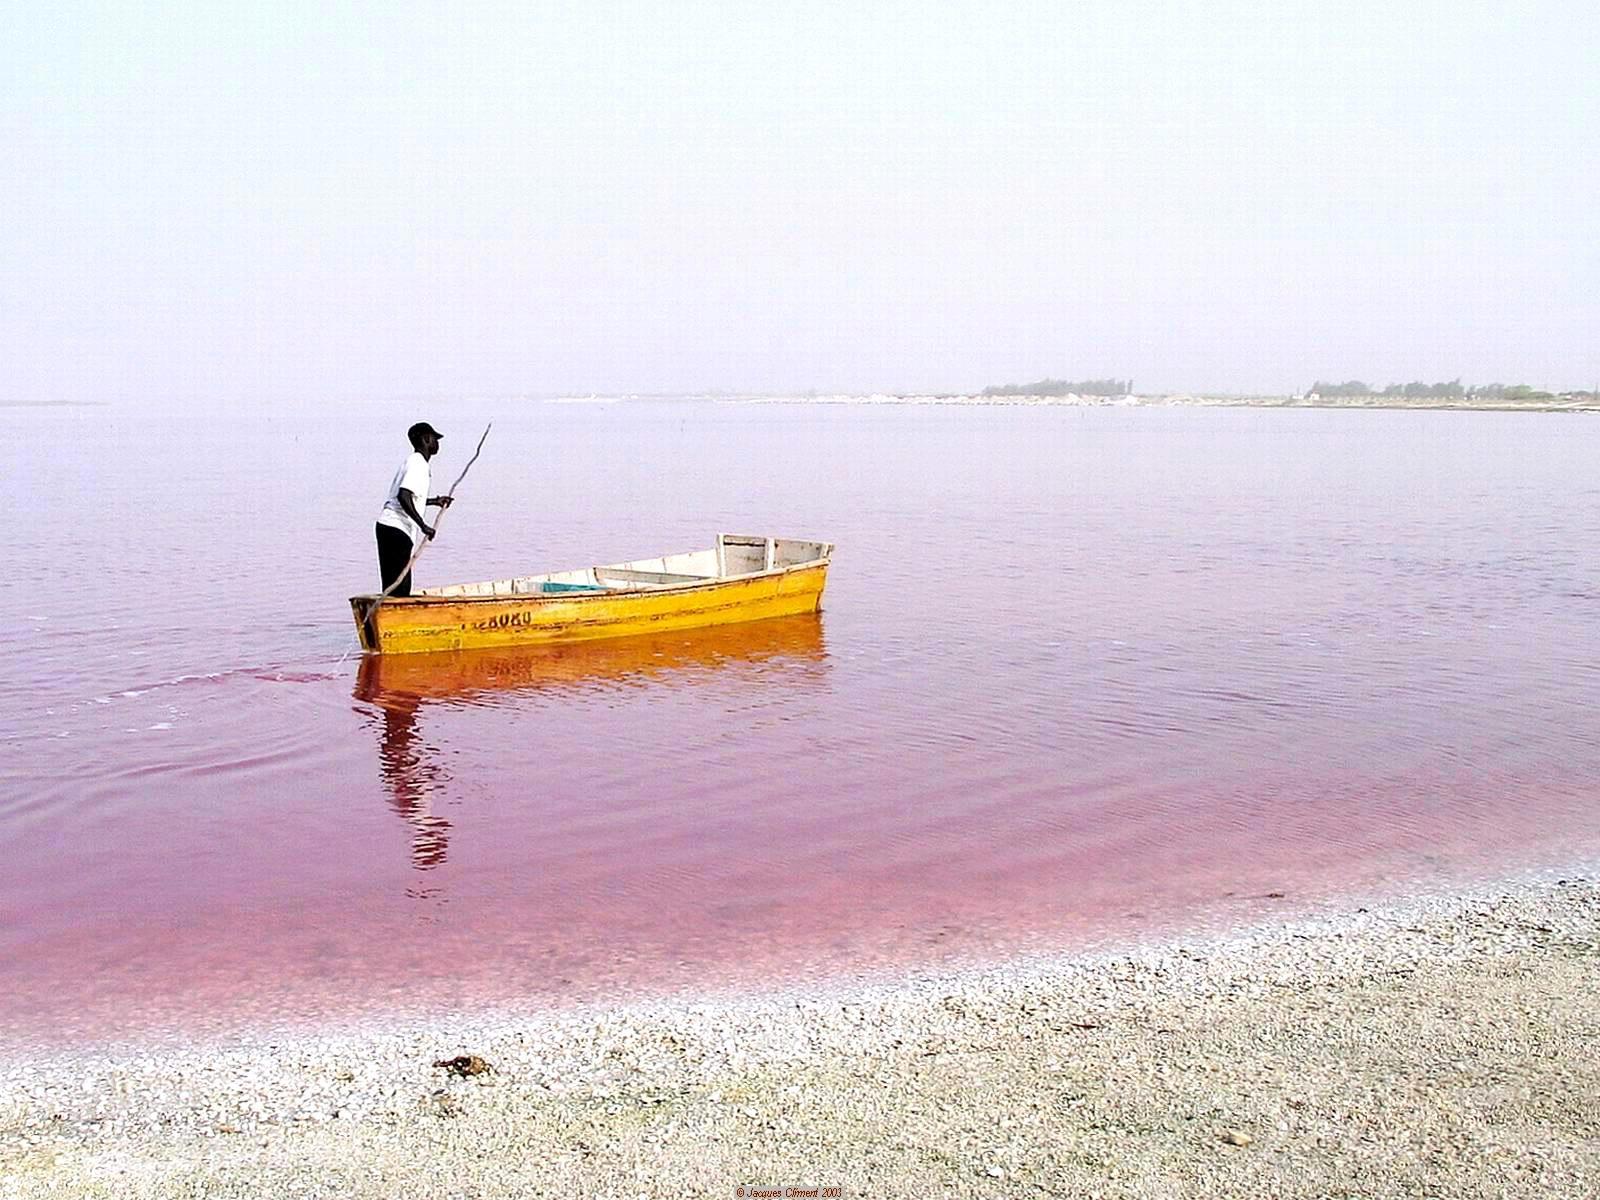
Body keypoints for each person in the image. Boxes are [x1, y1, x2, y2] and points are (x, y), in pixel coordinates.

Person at [375, 422, 454, 596]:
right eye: (434, 439)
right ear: (426, 439)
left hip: (390, 528)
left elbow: (412, 497)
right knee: (400, 588)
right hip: (396, 529)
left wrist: (435, 501)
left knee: (395, 585)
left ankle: (389, 618)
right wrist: (423, 525)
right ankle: (395, 620)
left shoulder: (414, 463)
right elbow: (404, 496)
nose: (437, 443)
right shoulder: (418, 464)